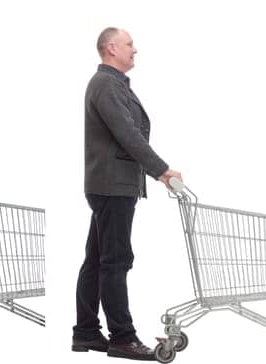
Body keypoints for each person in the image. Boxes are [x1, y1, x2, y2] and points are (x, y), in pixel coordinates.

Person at [73, 27, 182, 361]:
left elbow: (128, 134)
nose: (135, 50)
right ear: (111, 48)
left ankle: (87, 331)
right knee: (115, 261)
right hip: (112, 186)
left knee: (96, 259)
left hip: (110, 184)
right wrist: (162, 170)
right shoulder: (106, 84)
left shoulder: (112, 84)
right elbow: (128, 135)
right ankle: (123, 337)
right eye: (129, 44)